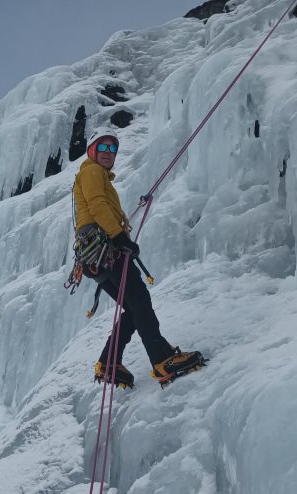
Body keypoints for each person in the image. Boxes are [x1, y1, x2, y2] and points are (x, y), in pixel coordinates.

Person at [72, 130, 204, 388]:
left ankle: (109, 363)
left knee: (133, 307)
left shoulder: (98, 177)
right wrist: (120, 237)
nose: (109, 154)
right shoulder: (91, 171)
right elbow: (97, 205)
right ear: (92, 151)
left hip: (95, 256)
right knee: (140, 301)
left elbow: (99, 206)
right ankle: (162, 360)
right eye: (103, 148)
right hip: (106, 249)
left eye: (113, 150)